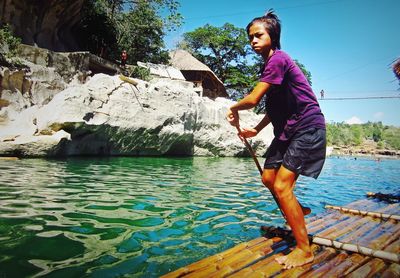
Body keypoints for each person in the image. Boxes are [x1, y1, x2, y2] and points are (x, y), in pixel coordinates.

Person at [227, 10, 326, 269]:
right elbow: (274, 107)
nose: (253, 41)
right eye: (250, 38)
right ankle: (298, 209)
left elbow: (253, 100)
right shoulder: (268, 65)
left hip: (307, 127)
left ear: (273, 35)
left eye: (258, 35)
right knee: (268, 179)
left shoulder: (279, 59)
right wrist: (256, 130)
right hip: (287, 131)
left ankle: (304, 250)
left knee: (282, 187)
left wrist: (233, 108)